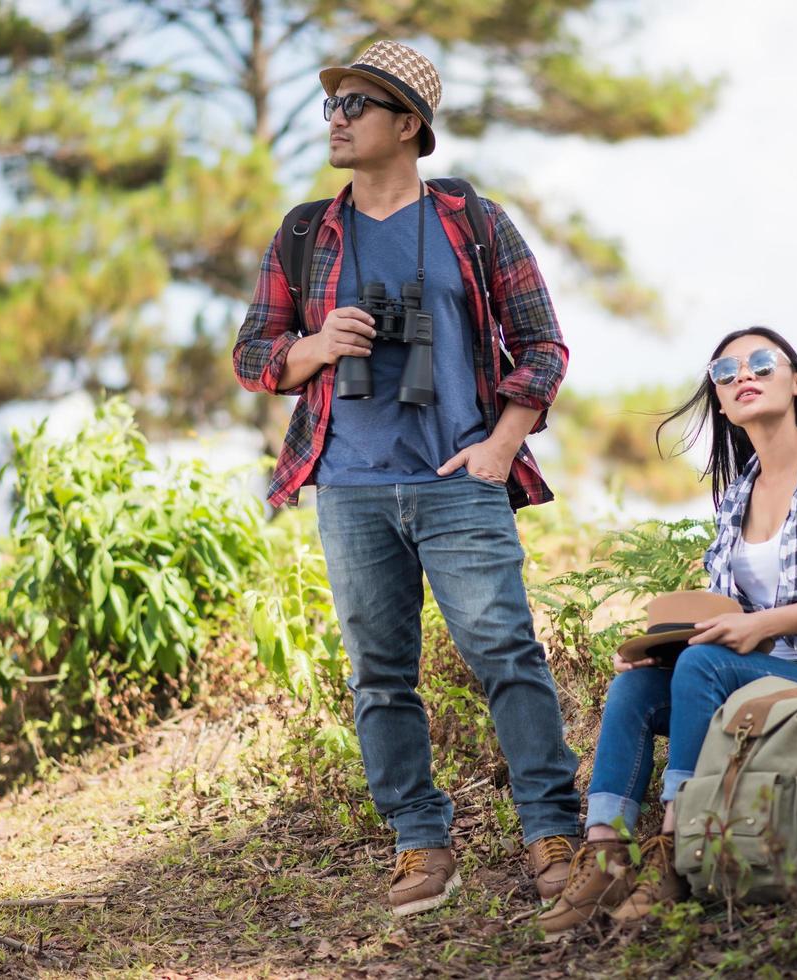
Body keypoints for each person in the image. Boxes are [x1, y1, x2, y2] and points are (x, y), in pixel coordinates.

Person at [232, 41, 581, 918]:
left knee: (504, 653)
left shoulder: (469, 218)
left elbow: (543, 345)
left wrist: (502, 444)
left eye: (357, 105)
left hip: (459, 474)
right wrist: (318, 348)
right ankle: (420, 847)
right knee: (380, 675)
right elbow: (252, 356)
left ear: (408, 125)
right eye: (332, 106)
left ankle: (552, 833)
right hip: (347, 483)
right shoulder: (306, 232)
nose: (337, 120)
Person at [538, 326, 797, 939]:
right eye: (725, 373)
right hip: (754, 673)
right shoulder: (735, 498)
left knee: (701, 667)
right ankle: (605, 854)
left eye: (761, 362)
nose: (742, 377)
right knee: (636, 689)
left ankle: (680, 844)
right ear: (723, 401)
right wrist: (665, 652)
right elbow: (722, 607)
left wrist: (755, 625)